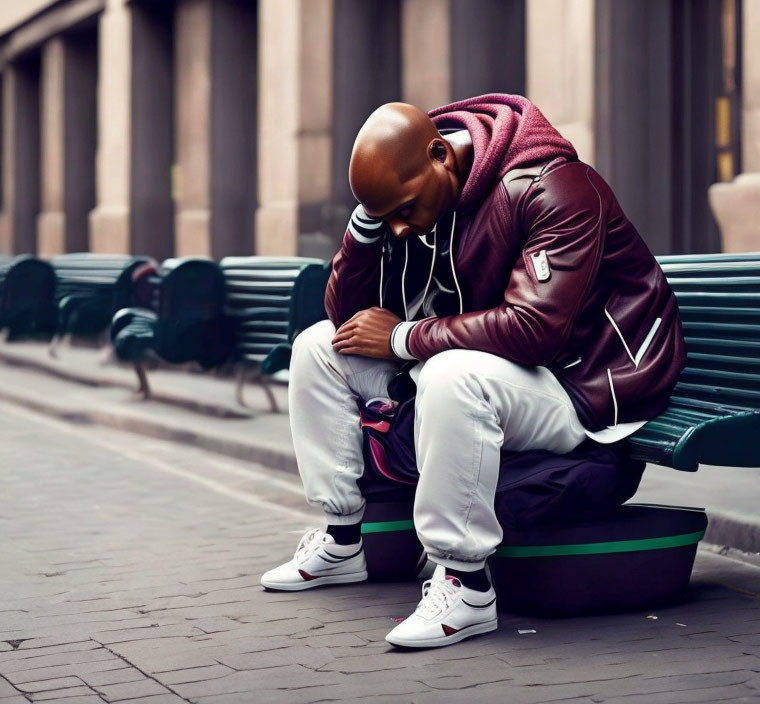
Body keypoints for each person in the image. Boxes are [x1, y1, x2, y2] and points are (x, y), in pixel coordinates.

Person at [261, 94, 686, 649]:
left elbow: (536, 329)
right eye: (385, 217)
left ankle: (465, 583)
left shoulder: (552, 187)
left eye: (403, 209)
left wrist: (402, 338)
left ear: (440, 154)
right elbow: (346, 318)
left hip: (584, 388)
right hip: (500, 371)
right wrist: (366, 223)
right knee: (318, 345)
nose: (398, 229)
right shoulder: (419, 201)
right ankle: (343, 539)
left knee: (451, 373)